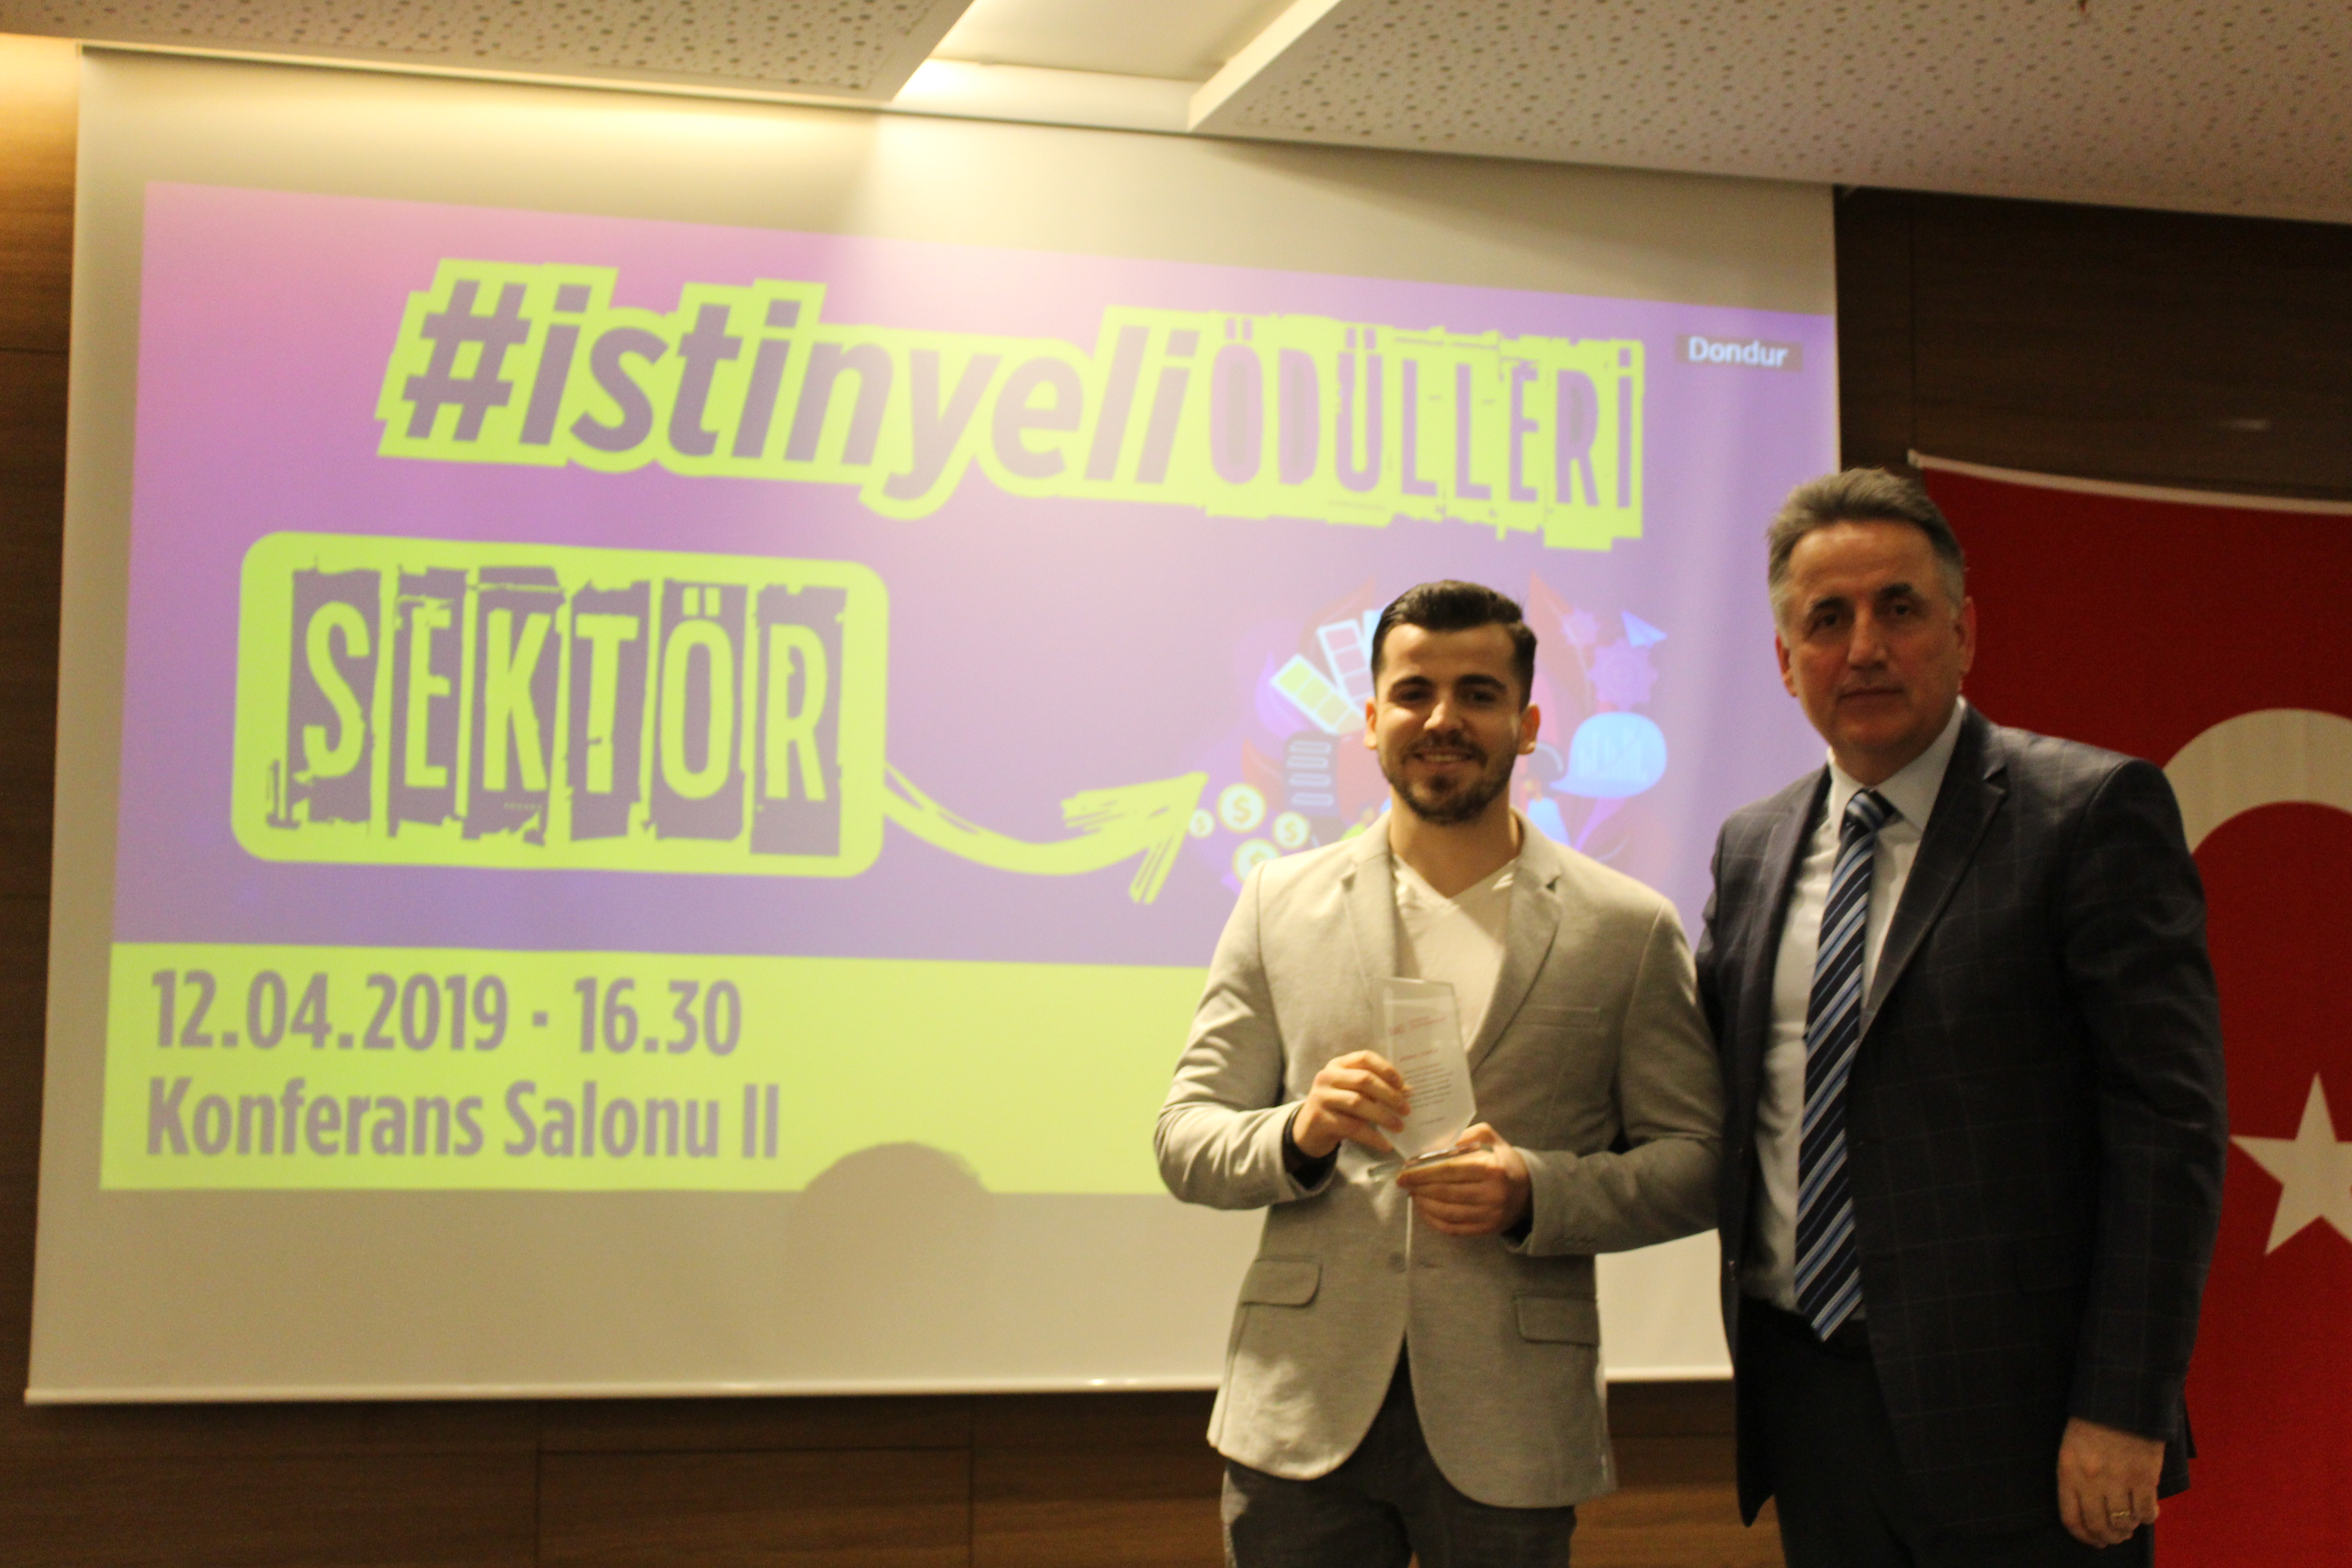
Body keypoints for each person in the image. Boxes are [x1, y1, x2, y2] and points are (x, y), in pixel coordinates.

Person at [1697, 469, 2228, 1566]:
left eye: (1899, 608)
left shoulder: (2088, 814)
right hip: (1811, 1403)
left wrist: (2125, 1407)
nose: (1865, 648)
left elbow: (2168, 1133)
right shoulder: (1753, 847)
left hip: (2032, 1426)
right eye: (1827, 620)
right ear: (1785, 659)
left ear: (1964, 631)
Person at [1157, 579, 1721, 1568]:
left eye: (1479, 693)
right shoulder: (1278, 902)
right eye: (1414, 692)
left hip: (1513, 1420)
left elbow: (1699, 1163)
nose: (1442, 719)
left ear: (1529, 725)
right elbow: (1186, 1138)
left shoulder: (1626, 928)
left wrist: (1535, 1189)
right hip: (1301, 1407)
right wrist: (1300, 1132)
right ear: (1372, 719)